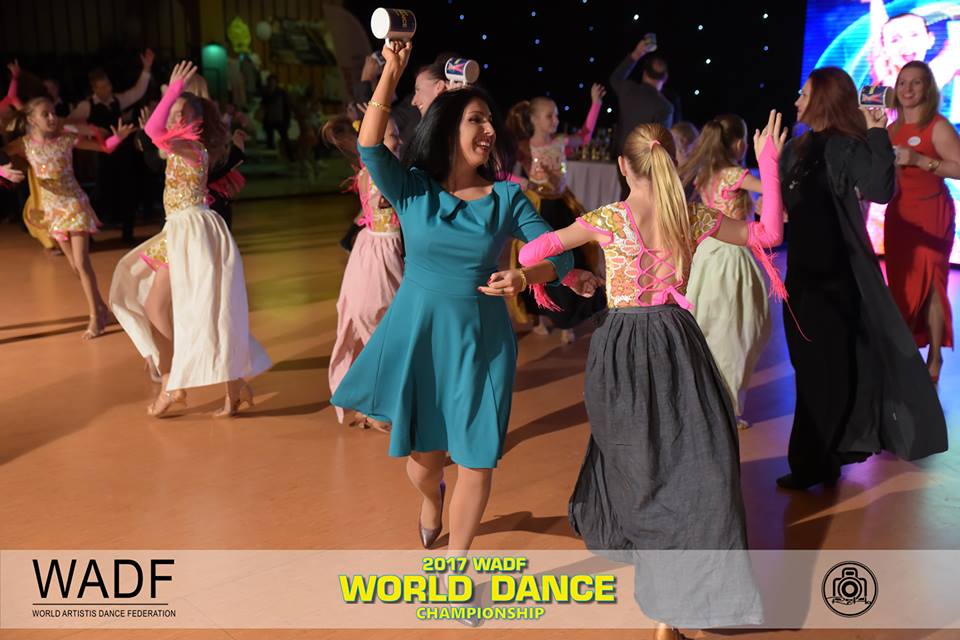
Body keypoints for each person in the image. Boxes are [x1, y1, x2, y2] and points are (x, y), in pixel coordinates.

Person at [517, 112, 788, 639]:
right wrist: (770, 166)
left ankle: (669, 602)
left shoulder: (609, 219)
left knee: (643, 474)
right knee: (696, 468)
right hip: (677, 343)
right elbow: (769, 234)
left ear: (623, 165)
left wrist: (569, 277)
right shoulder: (691, 217)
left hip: (619, 350)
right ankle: (679, 607)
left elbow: (532, 251)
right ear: (671, 161)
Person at [330, 38, 573, 555]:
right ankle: (431, 497)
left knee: (477, 460)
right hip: (420, 335)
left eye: (490, 121)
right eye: (475, 120)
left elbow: (563, 256)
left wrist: (527, 277)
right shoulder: (413, 188)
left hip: (483, 342)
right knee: (423, 465)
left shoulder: (506, 198)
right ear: (447, 128)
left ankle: (457, 570)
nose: (489, 130)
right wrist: (390, 72)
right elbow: (370, 147)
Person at [776, 67, 946, 490]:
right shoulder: (796, 148)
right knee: (807, 367)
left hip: (837, 278)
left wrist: (875, 131)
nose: (797, 100)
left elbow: (881, 189)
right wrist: (768, 158)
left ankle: (813, 461)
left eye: (804, 93)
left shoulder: (846, 145)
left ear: (824, 99)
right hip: (800, 276)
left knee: (825, 369)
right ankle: (825, 455)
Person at [109, 61, 271, 418]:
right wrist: (170, 98)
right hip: (180, 230)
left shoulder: (191, 147)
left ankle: (180, 382)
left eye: (179, 113)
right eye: (172, 112)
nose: (171, 116)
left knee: (202, 309)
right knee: (169, 306)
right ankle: (204, 384)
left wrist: (172, 91)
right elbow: (152, 136)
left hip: (193, 231)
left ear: (195, 123)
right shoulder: (178, 147)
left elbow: (153, 130)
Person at [3, 97, 134, 339]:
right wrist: (3, 170)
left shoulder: (66, 139)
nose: (52, 117)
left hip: (75, 205)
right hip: (52, 211)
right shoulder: (23, 144)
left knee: (82, 263)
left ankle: (96, 317)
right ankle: (102, 308)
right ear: (32, 120)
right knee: (75, 266)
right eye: (45, 114)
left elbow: (104, 148)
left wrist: (118, 138)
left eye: (53, 112)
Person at [680, 114, 773, 428]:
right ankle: (726, 407)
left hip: (707, 254)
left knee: (712, 326)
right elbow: (771, 187)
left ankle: (708, 400)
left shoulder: (706, 174)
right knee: (737, 330)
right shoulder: (734, 173)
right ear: (739, 143)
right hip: (731, 255)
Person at [505, 86, 607, 341]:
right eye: (550, 115)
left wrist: (595, 103)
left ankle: (567, 321)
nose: (556, 120)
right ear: (533, 119)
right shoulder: (524, 147)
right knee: (537, 261)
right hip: (539, 208)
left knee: (571, 259)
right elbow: (499, 173)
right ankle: (541, 316)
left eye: (557, 115)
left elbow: (585, 137)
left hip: (561, 205)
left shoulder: (561, 142)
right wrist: (525, 182)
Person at [324, 114, 405, 427]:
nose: (398, 140)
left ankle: (382, 401)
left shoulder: (396, 170)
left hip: (390, 251)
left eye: (397, 133)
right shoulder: (372, 173)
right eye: (391, 135)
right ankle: (376, 400)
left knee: (384, 321)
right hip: (373, 251)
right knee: (365, 316)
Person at [885, 61, 960, 383]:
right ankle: (906, 354)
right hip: (900, 218)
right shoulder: (891, 130)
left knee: (931, 285)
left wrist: (920, 160)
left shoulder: (938, 126)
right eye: (903, 82)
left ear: (927, 88)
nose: (908, 89)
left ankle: (935, 357)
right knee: (901, 286)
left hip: (933, 216)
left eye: (916, 82)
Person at [69, 50, 154, 245]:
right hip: (102, 154)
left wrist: (146, 69)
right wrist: (92, 130)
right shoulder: (86, 106)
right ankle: (87, 233)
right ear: (94, 88)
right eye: (102, 86)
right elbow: (68, 124)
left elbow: (137, 92)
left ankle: (128, 234)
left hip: (122, 153)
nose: (107, 88)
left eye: (108, 84)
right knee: (101, 193)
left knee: (128, 191)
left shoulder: (117, 100)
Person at [609, 40, 674, 153]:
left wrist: (637, 54)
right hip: (645, 161)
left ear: (644, 73)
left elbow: (615, 78)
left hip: (621, 158)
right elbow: (662, 145)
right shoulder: (665, 107)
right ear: (665, 78)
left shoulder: (627, 89)